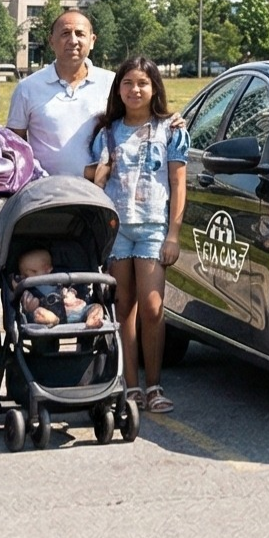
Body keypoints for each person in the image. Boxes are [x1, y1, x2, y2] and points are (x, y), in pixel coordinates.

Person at [85, 57, 188, 413]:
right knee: (123, 308)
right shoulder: (108, 132)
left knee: (153, 307)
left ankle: (154, 384)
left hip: (152, 228)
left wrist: (173, 234)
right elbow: (97, 182)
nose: (135, 90)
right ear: (119, 89)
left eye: (143, 83)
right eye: (127, 83)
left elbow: (178, 183)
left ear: (155, 88)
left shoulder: (171, 130)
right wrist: (100, 173)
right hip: (117, 230)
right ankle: (131, 387)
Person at [7, 6, 114, 178]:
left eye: (80, 34)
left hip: (99, 191)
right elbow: (14, 145)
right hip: (46, 193)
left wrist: (170, 121)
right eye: (65, 33)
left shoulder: (112, 83)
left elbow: (138, 123)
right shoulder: (27, 88)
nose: (73, 40)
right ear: (51, 41)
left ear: (92, 40)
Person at [13, 249, 106, 329]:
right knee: (38, 313)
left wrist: (71, 295)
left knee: (96, 307)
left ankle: (93, 319)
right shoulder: (30, 289)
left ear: (47, 270)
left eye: (33, 271)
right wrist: (31, 305)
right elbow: (28, 303)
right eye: (24, 275)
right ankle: (52, 320)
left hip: (73, 312)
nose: (27, 277)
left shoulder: (61, 281)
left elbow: (74, 290)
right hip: (48, 314)